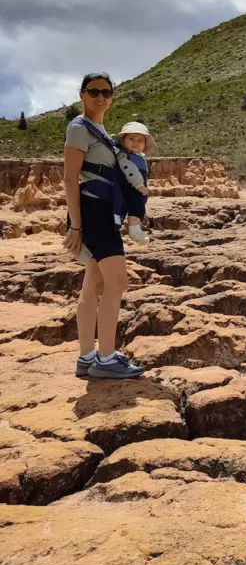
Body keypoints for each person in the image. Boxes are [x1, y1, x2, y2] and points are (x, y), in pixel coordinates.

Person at [63, 73, 144, 379]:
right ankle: (106, 359)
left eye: (106, 92)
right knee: (117, 282)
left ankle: (86, 357)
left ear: (112, 97)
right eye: (93, 91)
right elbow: (70, 178)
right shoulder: (78, 128)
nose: (100, 97)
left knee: (94, 282)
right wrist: (75, 225)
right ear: (82, 94)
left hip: (98, 211)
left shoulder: (99, 129)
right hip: (93, 212)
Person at [113, 122, 156, 243]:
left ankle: (133, 227)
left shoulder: (138, 156)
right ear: (123, 140)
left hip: (134, 186)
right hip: (130, 186)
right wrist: (139, 185)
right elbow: (130, 170)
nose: (135, 142)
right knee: (135, 205)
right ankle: (134, 229)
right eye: (131, 138)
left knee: (137, 206)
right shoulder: (124, 156)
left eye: (140, 140)